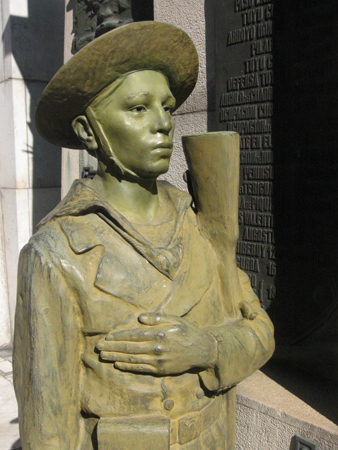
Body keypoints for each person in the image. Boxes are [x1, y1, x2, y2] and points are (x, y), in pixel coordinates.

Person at [13, 21, 274, 450]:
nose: (162, 124)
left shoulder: (201, 225)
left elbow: (260, 332)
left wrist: (206, 348)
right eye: (138, 108)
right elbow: (49, 430)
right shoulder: (56, 254)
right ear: (86, 131)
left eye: (167, 108)